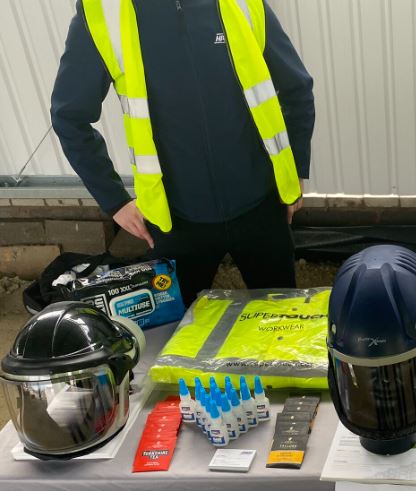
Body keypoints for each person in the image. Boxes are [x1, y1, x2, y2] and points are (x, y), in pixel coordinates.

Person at [51, 0, 314, 305]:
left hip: (262, 207)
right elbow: (69, 117)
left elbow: (297, 88)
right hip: (176, 223)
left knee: (282, 319)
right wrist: (115, 201)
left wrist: (295, 170)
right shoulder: (102, 13)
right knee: (179, 332)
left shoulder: (242, 3)